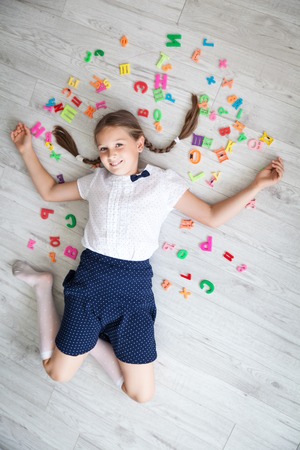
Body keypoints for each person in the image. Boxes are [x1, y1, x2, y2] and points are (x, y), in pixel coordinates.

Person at [10, 94, 284, 403]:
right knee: (57, 373)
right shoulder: (96, 181)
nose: (111, 156)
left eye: (118, 145)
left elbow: (211, 216)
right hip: (90, 286)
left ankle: (90, 342)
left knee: (141, 394)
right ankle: (43, 286)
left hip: (133, 296)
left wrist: (256, 186)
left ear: (139, 144)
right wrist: (25, 150)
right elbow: (49, 192)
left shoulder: (163, 183)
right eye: (103, 149)